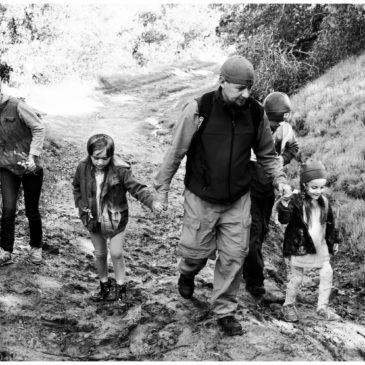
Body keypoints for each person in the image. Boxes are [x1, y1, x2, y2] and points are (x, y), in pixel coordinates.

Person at [153, 55, 291, 336]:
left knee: (234, 256)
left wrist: (281, 180)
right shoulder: (199, 108)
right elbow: (176, 152)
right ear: (222, 82)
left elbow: (267, 154)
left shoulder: (255, 112)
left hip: (238, 198)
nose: (246, 94)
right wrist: (162, 190)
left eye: (249, 88)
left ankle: (224, 310)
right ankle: (188, 271)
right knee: (195, 252)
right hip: (201, 196)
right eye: (240, 88)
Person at [72, 132, 161, 304]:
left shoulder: (121, 169)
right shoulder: (82, 166)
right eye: (95, 158)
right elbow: (76, 186)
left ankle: (121, 288)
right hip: (92, 217)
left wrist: (152, 203)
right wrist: (80, 206)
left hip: (116, 217)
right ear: (89, 154)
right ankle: (104, 285)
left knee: (116, 253)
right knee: (99, 254)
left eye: (104, 158)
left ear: (111, 156)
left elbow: (137, 188)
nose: (99, 162)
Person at [243, 92, 299, 296]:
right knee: (253, 235)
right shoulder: (253, 126)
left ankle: (247, 269)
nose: (275, 127)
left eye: (278, 123)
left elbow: (293, 147)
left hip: (269, 189)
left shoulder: (285, 129)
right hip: (248, 189)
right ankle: (255, 282)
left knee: (263, 231)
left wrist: (281, 160)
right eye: (272, 122)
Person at [277, 160, 341, 322]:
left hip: (320, 245)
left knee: (327, 272)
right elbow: (284, 220)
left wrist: (335, 239)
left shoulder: (324, 202)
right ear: (304, 185)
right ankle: (288, 305)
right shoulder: (296, 200)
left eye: (322, 187)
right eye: (314, 187)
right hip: (298, 246)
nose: (318, 191)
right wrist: (284, 203)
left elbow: (331, 222)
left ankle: (322, 307)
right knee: (297, 277)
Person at [0, 86, 46, 265]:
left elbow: (39, 128)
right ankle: (5, 251)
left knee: (31, 210)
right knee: (8, 209)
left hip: (30, 165)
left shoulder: (17, 106)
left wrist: (33, 155)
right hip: (6, 166)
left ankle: (36, 248)